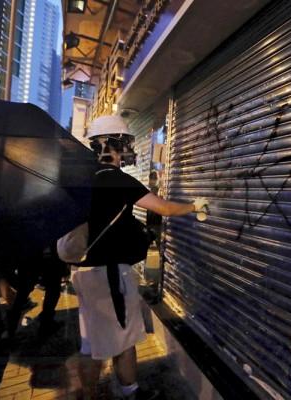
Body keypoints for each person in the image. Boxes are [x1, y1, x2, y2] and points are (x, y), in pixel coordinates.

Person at [70, 115, 207, 399]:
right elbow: (164, 208)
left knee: (92, 341)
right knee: (116, 342)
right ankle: (114, 394)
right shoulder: (116, 180)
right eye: (124, 142)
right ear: (110, 143)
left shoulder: (83, 179)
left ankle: (108, 392)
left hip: (83, 271)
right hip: (107, 275)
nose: (127, 148)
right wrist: (195, 205)